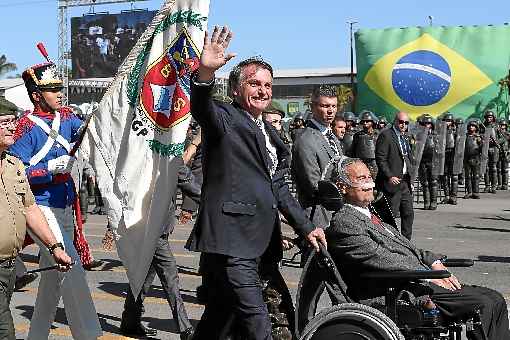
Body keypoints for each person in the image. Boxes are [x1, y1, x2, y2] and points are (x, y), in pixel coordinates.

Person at [185, 26, 326, 340]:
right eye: (254, 84)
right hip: (232, 240)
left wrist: (306, 227)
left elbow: (280, 188)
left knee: (219, 318)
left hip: (261, 243)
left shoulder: (272, 134)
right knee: (257, 322)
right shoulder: (225, 118)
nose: (263, 91)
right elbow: (202, 107)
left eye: (268, 85)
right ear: (236, 90)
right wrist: (205, 72)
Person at [325, 158, 510, 340]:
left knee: (495, 298)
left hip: (414, 280)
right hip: (394, 290)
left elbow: (408, 248)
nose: (369, 183)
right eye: (361, 179)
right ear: (343, 187)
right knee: (484, 304)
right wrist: (425, 273)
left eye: (369, 177)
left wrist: (434, 263)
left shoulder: (369, 215)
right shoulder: (345, 221)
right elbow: (380, 258)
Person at [10, 61, 102, 340]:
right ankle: (88, 335)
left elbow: (87, 133)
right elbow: (17, 173)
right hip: (39, 205)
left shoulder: (67, 117)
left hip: (64, 204)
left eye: (59, 88)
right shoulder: (25, 128)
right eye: (52, 89)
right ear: (37, 95)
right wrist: (46, 170)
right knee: (70, 265)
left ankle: (36, 335)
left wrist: (100, 116)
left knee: (53, 279)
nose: (59, 93)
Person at [0, 100, 74, 339]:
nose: (12, 128)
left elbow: (30, 209)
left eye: (12, 121)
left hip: (9, 266)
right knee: (5, 331)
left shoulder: (13, 165)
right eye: (4, 123)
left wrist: (55, 247)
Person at [120, 157, 199, 339]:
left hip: (141, 227)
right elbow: (195, 189)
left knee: (142, 277)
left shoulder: (145, 153)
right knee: (171, 277)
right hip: (154, 231)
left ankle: (129, 321)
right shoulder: (170, 160)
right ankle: (185, 328)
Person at [292, 85, 343, 230]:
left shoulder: (332, 137)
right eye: (325, 105)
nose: (331, 110)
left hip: (336, 213)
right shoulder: (305, 140)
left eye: (334, 105)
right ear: (312, 107)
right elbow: (313, 185)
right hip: (318, 216)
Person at [375, 111, 414, 240]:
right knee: (390, 215)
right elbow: (381, 158)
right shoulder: (386, 135)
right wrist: (389, 176)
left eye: (406, 123)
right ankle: (389, 241)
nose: (403, 125)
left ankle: (406, 243)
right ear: (395, 121)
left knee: (408, 213)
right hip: (392, 182)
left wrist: (411, 178)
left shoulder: (405, 137)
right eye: (401, 122)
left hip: (404, 182)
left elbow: (407, 158)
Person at [417, 114, 440, 210]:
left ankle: (433, 202)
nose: (427, 125)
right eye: (425, 123)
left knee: (433, 182)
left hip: (433, 161)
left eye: (429, 123)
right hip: (422, 161)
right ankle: (426, 202)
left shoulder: (436, 135)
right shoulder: (418, 135)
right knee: (425, 183)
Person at [351, 110, 378, 180]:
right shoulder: (357, 135)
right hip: (360, 160)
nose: (365, 123)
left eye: (367, 121)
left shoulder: (377, 135)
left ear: (372, 122)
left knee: (375, 178)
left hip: (374, 161)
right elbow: (353, 149)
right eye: (363, 121)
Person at [441, 113, 459, 205]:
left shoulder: (456, 131)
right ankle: (447, 195)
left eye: (449, 121)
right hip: (444, 154)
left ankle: (453, 196)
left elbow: (459, 143)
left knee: (454, 176)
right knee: (444, 176)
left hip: (453, 153)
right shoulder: (441, 131)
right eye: (446, 121)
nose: (448, 122)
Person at [464, 119, 483, 199]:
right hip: (467, 158)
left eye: (473, 126)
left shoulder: (478, 137)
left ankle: (476, 192)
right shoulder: (465, 136)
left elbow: (482, 148)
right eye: (470, 126)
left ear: (476, 128)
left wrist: (481, 142)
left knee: (476, 176)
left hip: (476, 158)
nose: (471, 127)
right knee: (468, 176)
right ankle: (469, 192)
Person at [481, 110, 499, 194]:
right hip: (485, 148)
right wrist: (484, 139)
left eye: (490, 117)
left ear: (493, 118)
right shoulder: (482, 126)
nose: (489, 118)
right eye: (487, 117)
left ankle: (494, 186)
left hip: (494, 148)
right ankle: (487, 186)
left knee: (494, 168)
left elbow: (504, 137)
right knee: (486, 168)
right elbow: (479, 135)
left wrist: (497, 141)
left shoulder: (496, 127)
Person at [496, 118, 509, 190]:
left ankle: (505, 184)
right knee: (499, 169)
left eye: (504, 125)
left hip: (506, 153)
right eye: (501, 125)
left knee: (505, 170)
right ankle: (500, 184)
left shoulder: (508, 134)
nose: (502, 126)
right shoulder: (497, 134)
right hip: (498, 153)